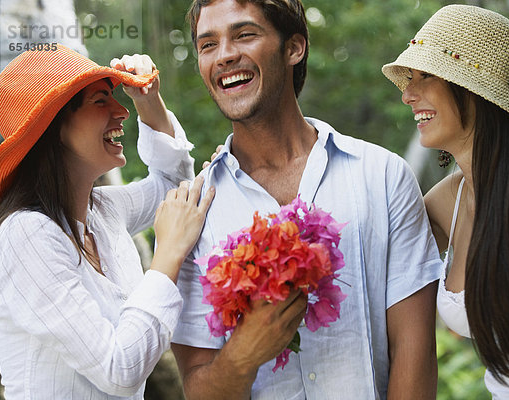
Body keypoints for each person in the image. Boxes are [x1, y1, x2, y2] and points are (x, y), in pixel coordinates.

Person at [161, 0, 443, 399]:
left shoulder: (382, 175)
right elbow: (197, 388)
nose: (224, 55)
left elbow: (414, 356)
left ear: (294, 48)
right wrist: (244, 353)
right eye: (208, 45)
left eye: (244, 35)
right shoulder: (192, 214)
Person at [382, 4, 509, 398]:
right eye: (409, 78)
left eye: (425, 76)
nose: (408, 94)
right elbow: (365, 259)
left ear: (474, 88)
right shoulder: (447, 201)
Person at [0, 45, 214, 399]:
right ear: (54, 127)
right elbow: (119, 370)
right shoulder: (26, 235)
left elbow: (174, 187)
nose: (121, 111)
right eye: (100, 101)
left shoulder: (103, 212)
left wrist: (148, 99)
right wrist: (167, 253)